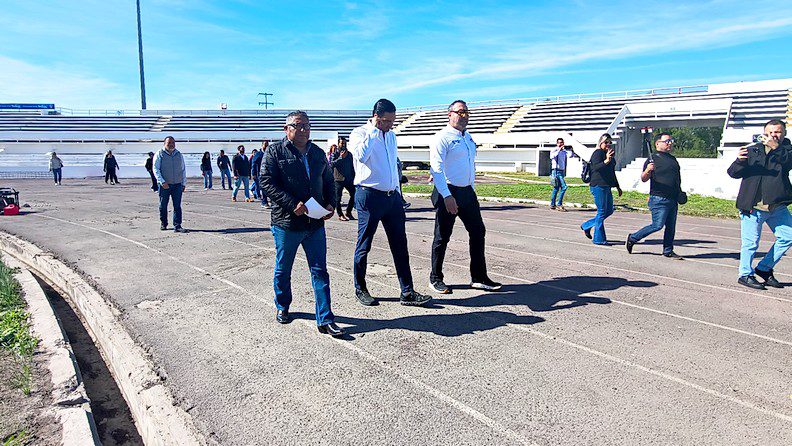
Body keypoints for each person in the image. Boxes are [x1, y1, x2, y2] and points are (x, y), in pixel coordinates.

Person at [260, 111, 343, 336]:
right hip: (287, 223)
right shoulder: (275, 151)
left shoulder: (317, 152)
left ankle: (325, 318)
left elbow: (328, 180)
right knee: (283, 268)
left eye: (306, 125)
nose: (304, 130)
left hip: (314, 223)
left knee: (320, 271)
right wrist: (291, 204)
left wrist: (331, 204)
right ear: (286, 129)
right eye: (298, 125)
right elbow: (266, 182)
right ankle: (282, 305)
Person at [349, 98, 431, 307]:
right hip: (369, 196)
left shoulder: (391, 135)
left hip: (391, 198)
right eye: (386, 121)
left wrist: (397, 192)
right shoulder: (360, 133)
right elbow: (361, 156)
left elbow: (393, 165)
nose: (390, 125)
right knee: (364, 244)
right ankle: (360, 288)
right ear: (376, 117)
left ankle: (407, 291)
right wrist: (374, 131)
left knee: (400, 245)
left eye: (392, 121)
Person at [429, 100, 502, 294]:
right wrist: (446, 195)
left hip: (467, 192)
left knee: (478, 231)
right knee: (442, 236)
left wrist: (471, 188)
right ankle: (435, 278)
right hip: (448, 192)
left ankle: (478, 277)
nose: (464, 116)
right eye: (460, 112)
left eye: (466, 112)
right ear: (449, 114)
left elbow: (469, 165)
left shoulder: (468, 137)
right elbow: (436, 169)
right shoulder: (442, 138)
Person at [727, 119, 792, 290]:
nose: (773, 135)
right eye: (770, 132)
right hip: (752, 206)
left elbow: (789, 163)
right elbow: (732, 173)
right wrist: (740, 161)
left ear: (784, 133)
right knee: (750, 243)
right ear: (764, 132)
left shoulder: (787, 150)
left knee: (788, 236)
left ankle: (764, 268)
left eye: (777, 132)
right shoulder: (753, 149)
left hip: (777, 206)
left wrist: (776, 148)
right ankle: (745, 274)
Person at [626, 133, 683, 259]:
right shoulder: (652, 159)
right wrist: (648, 170)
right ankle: (633, 238)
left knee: (671, 227)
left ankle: (668, 250)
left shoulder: (673, 159)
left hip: (673, 198)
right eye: (667, 141)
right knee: (657, 225)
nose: (670, 143)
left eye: (671, 141)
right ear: (658, 143)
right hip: (659, 198)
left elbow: (676, 179)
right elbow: (643, 178)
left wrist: (680, 192)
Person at [580, 133, 622, 245]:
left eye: (610, 142)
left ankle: (587, 225)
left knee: (609, 210)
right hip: (598, 185)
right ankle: (598, 239)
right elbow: (596, 168)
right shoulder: (597, 153)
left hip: (607, 186)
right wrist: (606, 160)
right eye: (606, 142)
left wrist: (617, 186)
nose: (608, 144)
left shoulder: (609, 155)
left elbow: (612, 172)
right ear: (600, 143)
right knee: (602, 212)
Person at [153, 136, 187, 233]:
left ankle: (177, 225)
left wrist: (183, 183)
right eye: (169, 143)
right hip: (165, 185)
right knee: (163, 205)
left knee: (177, 206)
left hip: (177, 184)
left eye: (173, 142)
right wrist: (162, 181)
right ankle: (164, 223)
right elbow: (156, 169)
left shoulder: (179, 154)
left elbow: (183, 169)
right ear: (164, 144)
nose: (171, 144)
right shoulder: (160, 154)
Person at [549, 138, 579, 211]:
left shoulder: (564, 151)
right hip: (556, 171)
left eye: (562, 143)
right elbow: (552, 156)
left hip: (561, 171)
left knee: (556, 188)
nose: (560, 144)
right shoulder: (554, 150)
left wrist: (571, 150)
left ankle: (552, 204)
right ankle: (559, 204)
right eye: (559, 143)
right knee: (564, 187)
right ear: (557, 143)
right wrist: (559, 149)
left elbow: (570, 155)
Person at [330, 137, 355, 220]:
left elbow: (352, 166)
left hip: (348, 179)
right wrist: (341, 158)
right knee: (338, 198)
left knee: (354, 195)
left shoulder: (349, 154)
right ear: (338, 144)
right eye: (342, 143)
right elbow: (331, 164)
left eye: (345, 143)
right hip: (338, 179)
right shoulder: (335, 153)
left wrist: (353, 177)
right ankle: (340, 214)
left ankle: (348, 212)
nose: (343, 145)